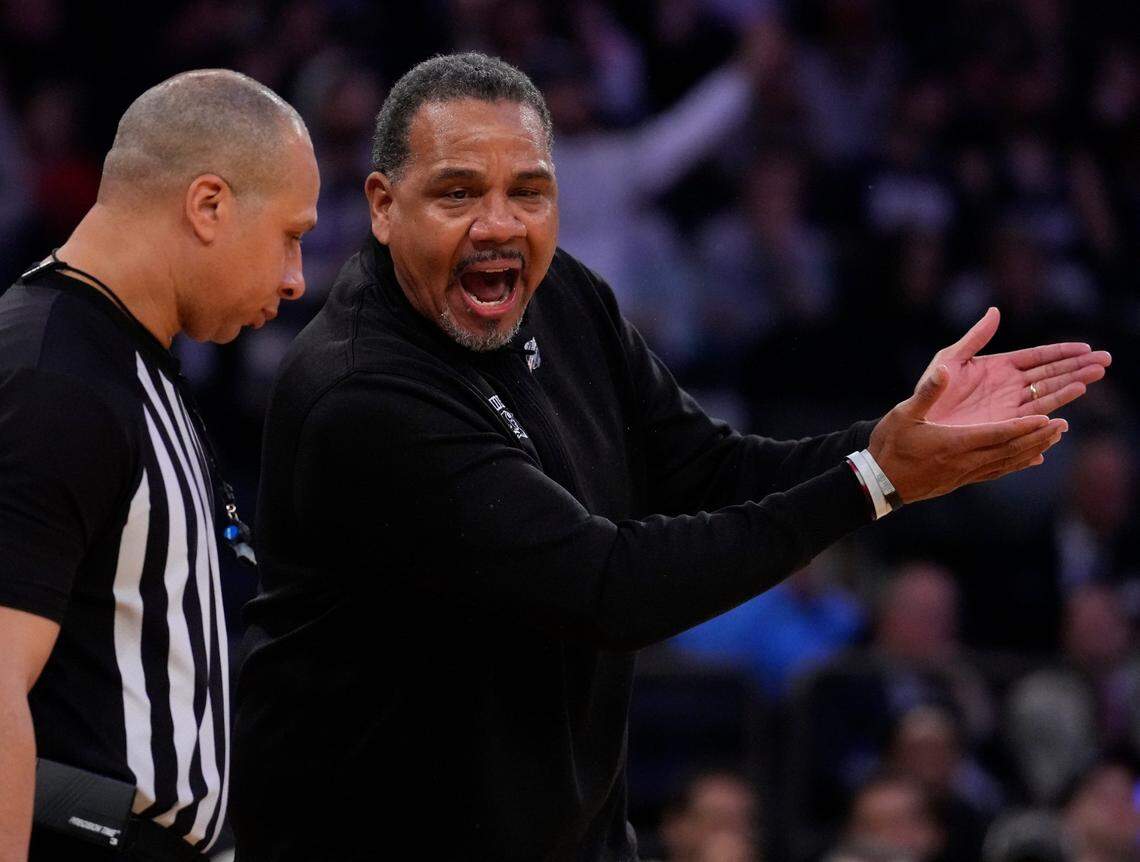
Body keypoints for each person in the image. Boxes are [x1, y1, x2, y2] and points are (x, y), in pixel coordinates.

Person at [231, 52, 1109, 860]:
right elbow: (607, 588)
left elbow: (710, 470)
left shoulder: (564, 297)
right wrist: (875, 482)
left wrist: (894, 441)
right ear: (384, 205)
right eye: (458, 193)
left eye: (528, 192)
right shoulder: (364, 393)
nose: (499, 225)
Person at [0, 70, 318, 861]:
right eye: (290, 234)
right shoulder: (54, 380)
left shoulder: (131, 358)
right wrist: (114, 827)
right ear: (208, 205)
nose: (296, 277)